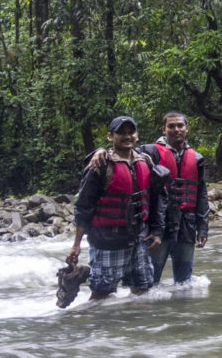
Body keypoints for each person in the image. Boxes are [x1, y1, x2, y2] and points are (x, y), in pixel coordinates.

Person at [63, 116, 167, 303]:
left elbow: (157, 199)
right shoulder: (100, 164)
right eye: (121, 133)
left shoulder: (146, 161)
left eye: (131, 132)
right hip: (108, 240)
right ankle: (98, 330)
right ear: (110, 136)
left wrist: (157, 231)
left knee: (142, 289)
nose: (127, 136)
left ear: (137, 135)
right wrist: (76, 244)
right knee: (101, 295)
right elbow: (84, 206)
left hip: (139, 239)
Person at [138, 111, 209, 284]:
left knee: (184, 282)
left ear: (186, 129)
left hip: (187, 225)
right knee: (149, 281)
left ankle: (181, 310)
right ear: (164, 129)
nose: (176, 129)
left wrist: (203, 228)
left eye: (180, 125)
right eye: (171, 126)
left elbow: (201, 195)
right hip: (158, 226)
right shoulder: (149, 153)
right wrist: (102, 152)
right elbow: (123, 152)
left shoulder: (197, 158)